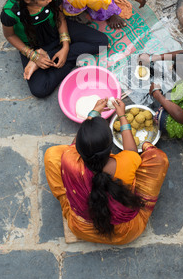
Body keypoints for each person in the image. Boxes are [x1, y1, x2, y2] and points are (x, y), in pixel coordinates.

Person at [44, 98, 169, 244]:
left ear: (79, 150)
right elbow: (132, 152)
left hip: (81, 227)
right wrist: (122, 117)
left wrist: (94, 113)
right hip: (125, 233)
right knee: (158, 159)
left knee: (52, 155)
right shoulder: (125, 163)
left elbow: (80, 141)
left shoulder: (69, 160)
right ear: (111, 147)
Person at [0, 0, 109, 98]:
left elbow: (60, 18)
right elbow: (10, 36)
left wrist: (65, 46)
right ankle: (63, 59)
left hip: (56, 31)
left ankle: (51, 57)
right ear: (28, 0)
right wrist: (33, 55)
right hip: (32, 46)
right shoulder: (10, 12)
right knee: (40, 90)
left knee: (101, 42)